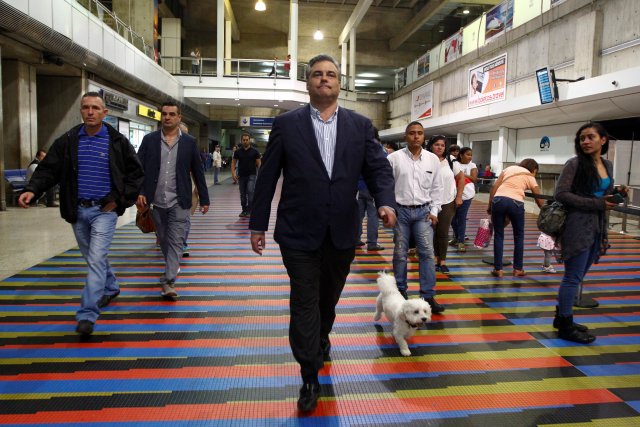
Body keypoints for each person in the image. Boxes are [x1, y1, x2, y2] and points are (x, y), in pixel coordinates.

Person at [248, 54, 397, 413]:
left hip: (342, 231)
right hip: (298, 230)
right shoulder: (287, 124)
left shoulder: (360, 126)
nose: (324, 79)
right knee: (303, 300)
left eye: (331, 74)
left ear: (339, 83)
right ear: (308, 82)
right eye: (317, 74)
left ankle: (321, 336)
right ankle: (309, 374)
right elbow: (267, 176)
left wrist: (386, 202)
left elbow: (378, 169)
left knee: (327, 299)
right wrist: (258, 223)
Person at [18, 92, 144, 337]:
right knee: (92, 257)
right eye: (85, 107)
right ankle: (111, 286)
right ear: (81, 110)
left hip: (104, 212)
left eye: (95, 108)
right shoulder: (68, 140)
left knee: (96, 259)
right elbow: (49, 169)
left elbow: (135, 174)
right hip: (77, 210)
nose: (90, 112)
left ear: (104, 112)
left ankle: (87, 314)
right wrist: (32, 190)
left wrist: (118, 201)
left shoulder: (117, 141)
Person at [553, 122, 626, 344]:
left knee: (578, 276)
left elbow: (602, 193)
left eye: (590, 137)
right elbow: (561, 194)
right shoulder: (574, 164)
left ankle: (562, 316)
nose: (585, 141)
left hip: (597, 226)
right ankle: (565, 324)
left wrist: (616, 193)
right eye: (582, 138)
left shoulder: (608, 164)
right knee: (572, 277)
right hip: (576, 226)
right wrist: (596, 203)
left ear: (603, 140)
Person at [136, 101, 210, 300]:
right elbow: (138, 168)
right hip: (156, 201)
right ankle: (170, 269)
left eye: (171, 114)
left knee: (176, 241)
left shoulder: (189, 142)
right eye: (164, 114)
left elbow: (198, 171)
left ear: (179, 118)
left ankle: (168, 280)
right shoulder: (149, 140)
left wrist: (204, 198)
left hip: (180, 200)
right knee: (164, 239)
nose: (167, 117)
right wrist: (139, 191)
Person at [388, 122, 444, 312]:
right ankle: (400, 292)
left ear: (424, 137)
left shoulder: (432, 160)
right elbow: (386, 186)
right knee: (400, 254)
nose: (416, 136)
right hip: (400, 212)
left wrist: (435, 211)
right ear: (405, 137)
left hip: (423, 212)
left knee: (427, 254)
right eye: (412, 133)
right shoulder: (393, 158)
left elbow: (437, 187)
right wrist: (388, 209)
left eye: (419, 133)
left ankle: (428, 296)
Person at [487, 158, 545, 278]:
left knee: (499, 234)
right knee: (518, 236)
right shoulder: (530, 176)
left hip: (499, 200)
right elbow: (539, 199)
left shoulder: (509, 168)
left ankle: (498, 269)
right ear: (534, 169)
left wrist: (490, 205)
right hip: (516, 203)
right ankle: (518, 269)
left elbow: (495, 187)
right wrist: (545, 212)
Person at [426, 136, 464, 274]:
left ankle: (441, 261)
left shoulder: (451, 160)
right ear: (431, 146)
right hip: (428, 203)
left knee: (442, 232)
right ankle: (432, 259)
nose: (440, 147)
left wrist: (459, 196)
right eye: (436, 144)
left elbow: (461, 179)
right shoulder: (425, 160)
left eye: (442, 145)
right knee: (429, 232)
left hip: (448, 201)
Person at [450, 147, 477, 252]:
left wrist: (461, 174)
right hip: (452, 195)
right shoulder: (454, 163)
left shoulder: (472, 165)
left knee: (461, 218)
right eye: (467, 154)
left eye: (471, 155)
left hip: (467, 195)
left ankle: (461, 241)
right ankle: (457, 237)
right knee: (452, 219)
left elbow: (474, 179)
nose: (470, 157)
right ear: (461, 155)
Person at [231, 133, 261, 217]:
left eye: (247, 140)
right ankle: (244, 210)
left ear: (249, 140)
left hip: (252, 175)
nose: (245, 141)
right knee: (243, 195)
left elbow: (259, 164)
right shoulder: (237, 151)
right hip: (241, 176)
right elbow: (233, 163)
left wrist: (261, 175)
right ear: (241, 140)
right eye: (243, 140)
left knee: (250, 192)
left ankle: (250, 210)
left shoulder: (255, 152)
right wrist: (233, 174)